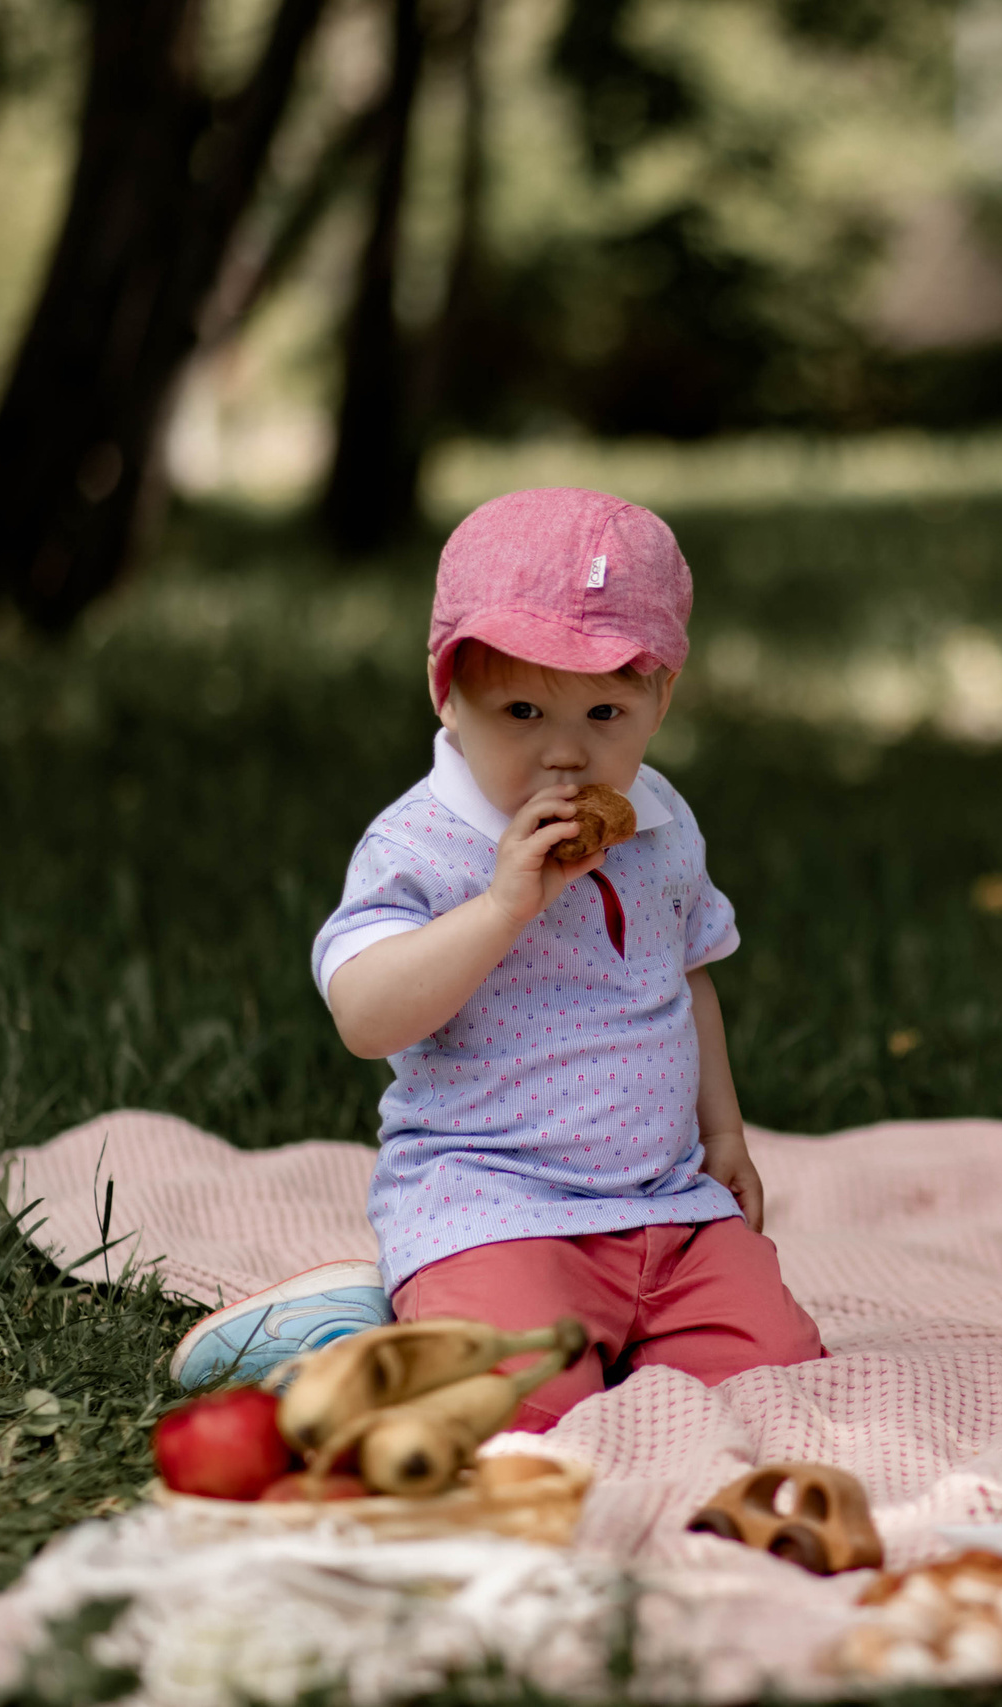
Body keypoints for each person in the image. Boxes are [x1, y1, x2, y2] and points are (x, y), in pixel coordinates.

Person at [172, 489, 823, 1426]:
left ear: (663, 698)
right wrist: (503, 905)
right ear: (447, 693)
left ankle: (580, 1329)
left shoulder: (664, 825)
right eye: (521, 709)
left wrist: (724, 1135)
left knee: (780, 1375)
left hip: (665, 1203)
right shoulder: (423, 844)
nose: (567, 753)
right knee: (515, 1402)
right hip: (492, 1199)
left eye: (606, 711)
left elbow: (688, 982)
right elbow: (365, 1017)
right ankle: (361, 1331)